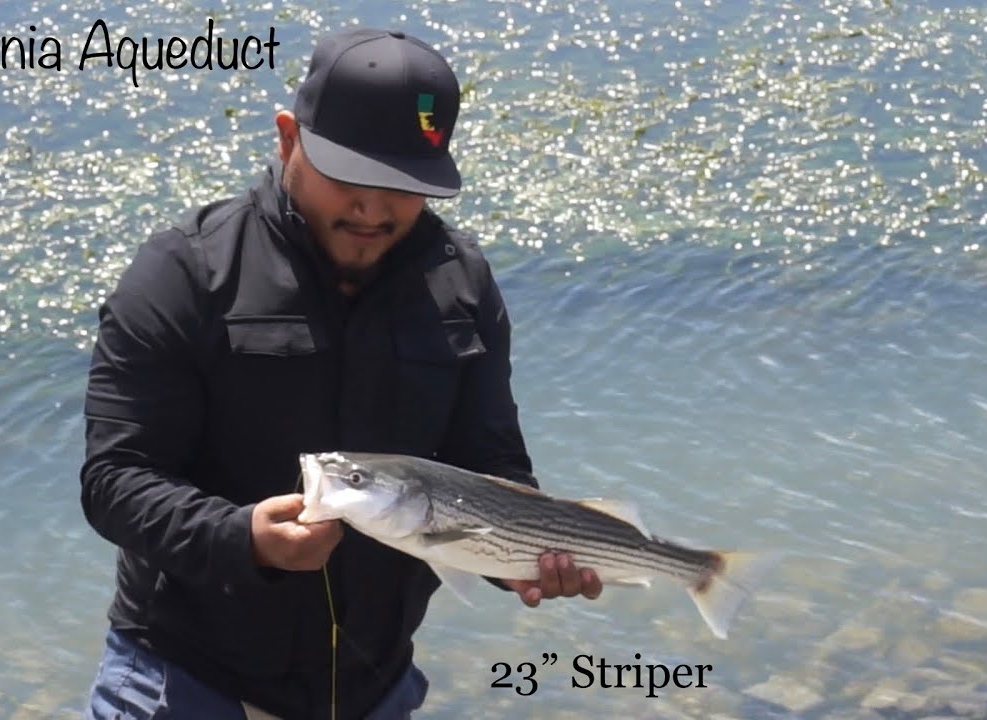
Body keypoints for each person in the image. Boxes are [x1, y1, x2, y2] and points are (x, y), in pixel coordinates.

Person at [78, 27, 603, 720]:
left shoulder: (463, 284)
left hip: (374, 691)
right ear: (288, 137)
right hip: (183, 684)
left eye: (402, 186)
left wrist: (523, 558)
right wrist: (243, 540)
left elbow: (489, 464)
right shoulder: (185, 272)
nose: (372, 209)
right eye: (350, 177)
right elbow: (114, 480)